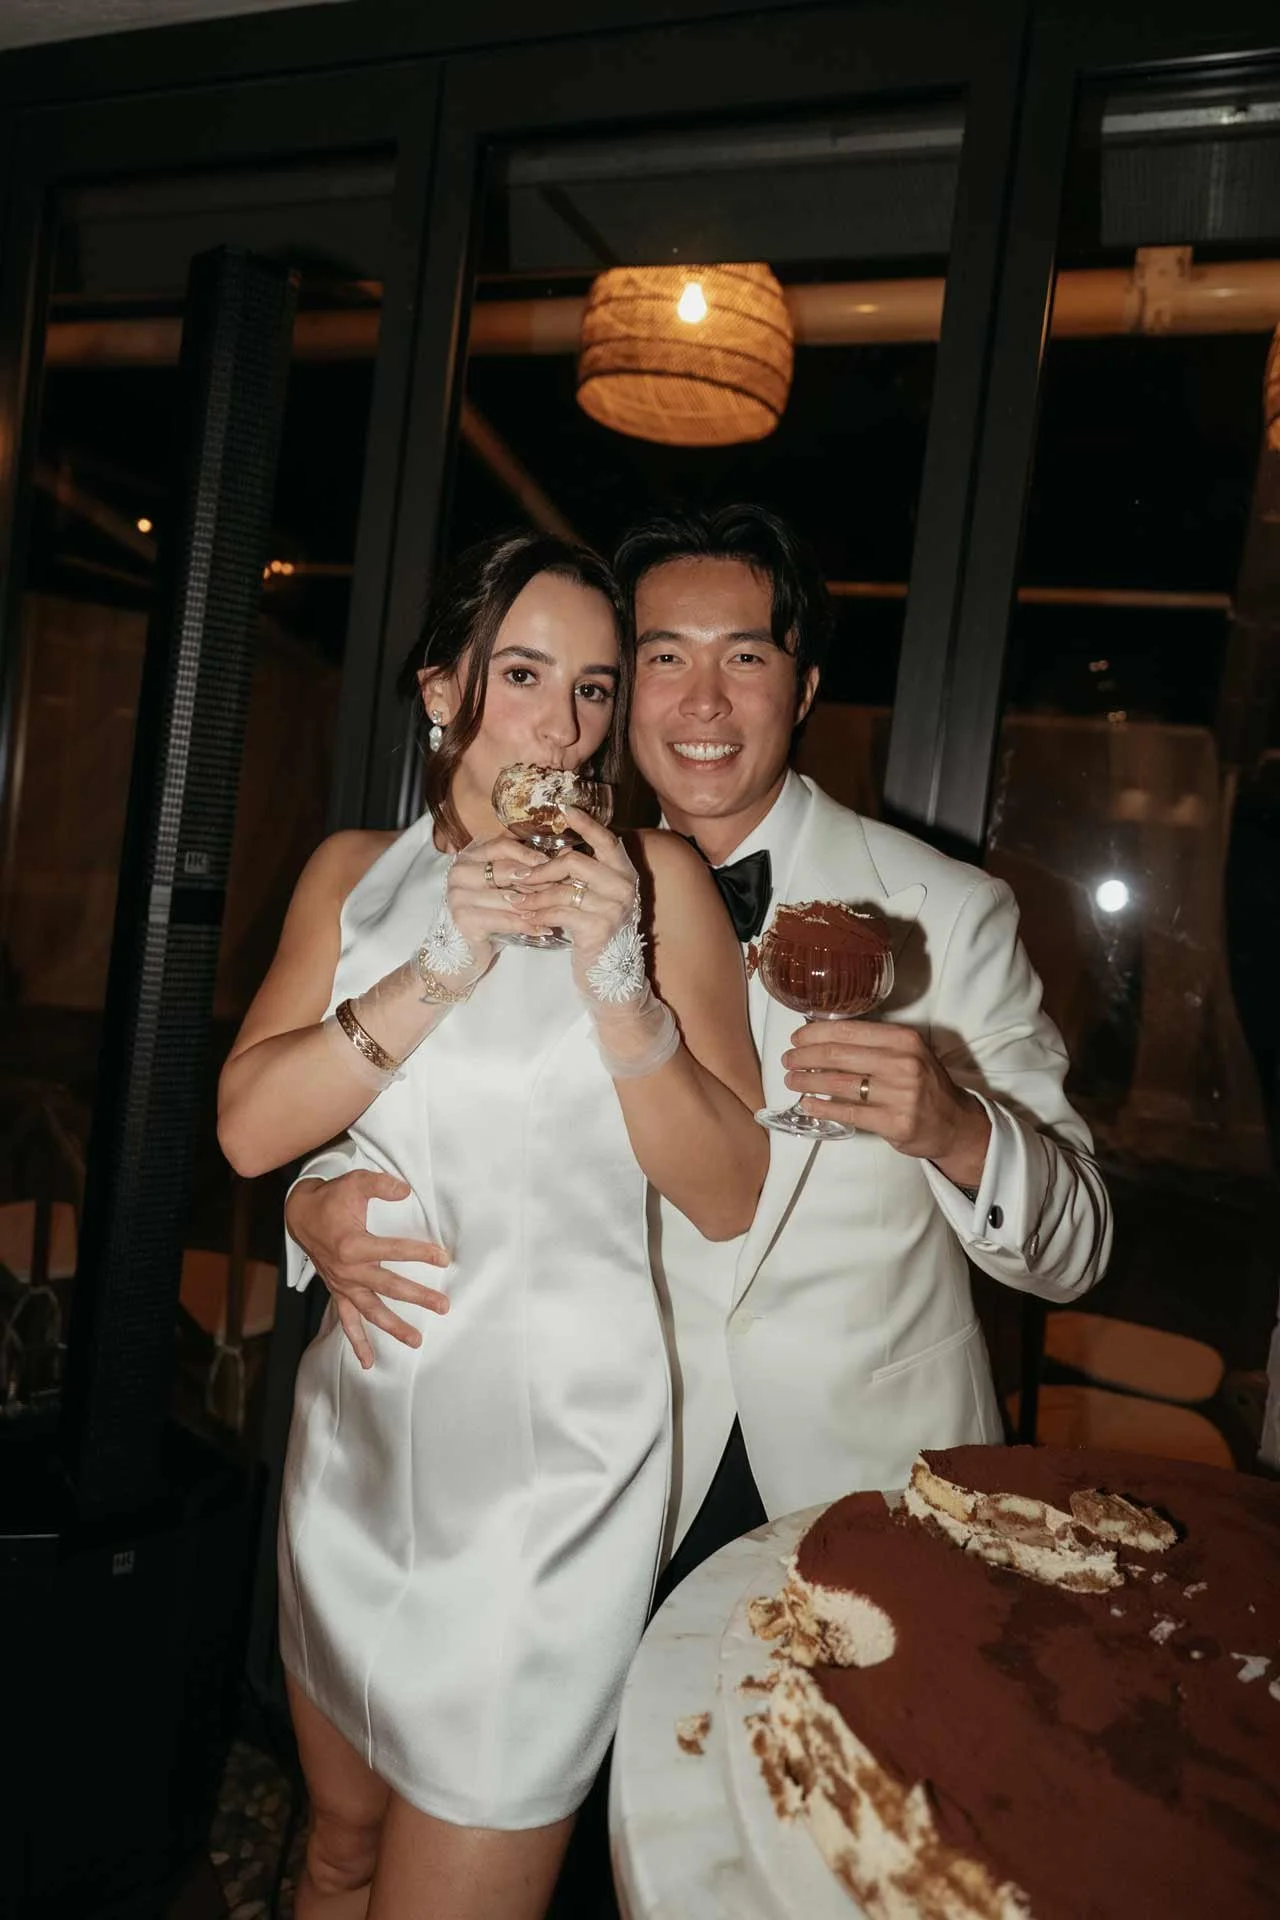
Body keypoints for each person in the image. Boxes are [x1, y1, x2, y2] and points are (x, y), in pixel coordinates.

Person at [283, 504, 1112, 1601]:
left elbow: (1075, 1250)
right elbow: (427, 1100)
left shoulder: (944, 912)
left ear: (802, 687)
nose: (703, 701)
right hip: (595, 1479)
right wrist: (317, 1192)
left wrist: (960, 1132)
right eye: (661, 658)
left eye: (746, 657)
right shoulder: (526, 887)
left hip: (863, 1483)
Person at [218, 529, 765, 1920]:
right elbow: (248, 1127)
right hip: (359, 1446)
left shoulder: (662, 883)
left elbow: (726, 1192)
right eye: (525, 674)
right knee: (334, 1850)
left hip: (553, 1495)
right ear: (442, 688)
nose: (566, 723)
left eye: (592, 687)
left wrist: (623, 985)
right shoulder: (357, 874)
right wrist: (440, 965)